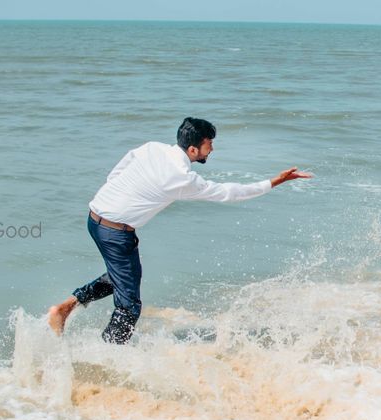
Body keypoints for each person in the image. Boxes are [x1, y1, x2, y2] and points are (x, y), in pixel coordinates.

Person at [47, 117, 311, 343]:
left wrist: (119, 198)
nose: (212, 150)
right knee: (129, 307)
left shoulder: (152, 148)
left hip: (95, 218)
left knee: (123, 278)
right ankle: (107, 354)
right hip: (116, 233)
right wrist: (274, 182)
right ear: (194, 149)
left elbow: (119, 171)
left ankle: (65, 308)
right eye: (209, 145)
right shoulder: (182, 178)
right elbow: (229, 193)